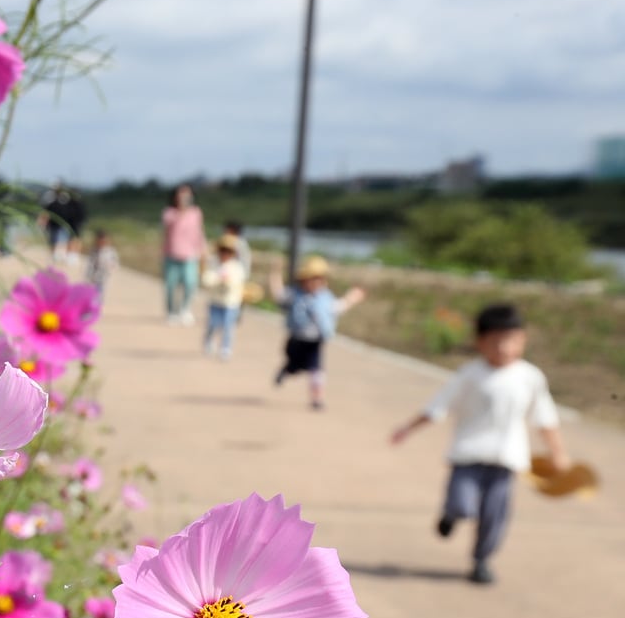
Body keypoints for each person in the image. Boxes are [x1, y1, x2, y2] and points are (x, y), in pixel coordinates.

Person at [390, 303, 569, 585]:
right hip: (468, 456)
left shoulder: (530, 377)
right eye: (496, 341)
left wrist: (558, 453)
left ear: (523, 340)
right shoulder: (470, 374)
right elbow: (437, 407)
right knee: (463, 504)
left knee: (493, 516)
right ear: (480, 342)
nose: (504, 348)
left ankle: (481, 560)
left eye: (512, 341)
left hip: (506, 460)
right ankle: (451, 514)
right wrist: (407, 429)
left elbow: (545, 418)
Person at [267, 254, 366, 410]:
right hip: (296, 340)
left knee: (316, 369)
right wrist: (275, 273)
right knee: (295, 366)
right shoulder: (294, 295)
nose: (315, 283)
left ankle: (316, 398)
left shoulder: (325, 298)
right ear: (304, 279)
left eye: (319, 279)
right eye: (312, 279)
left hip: (315, 341)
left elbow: (338, 307)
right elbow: (278, 294)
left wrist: (352, 297)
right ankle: (286, 370)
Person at [161, 184, 204, 325]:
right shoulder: (169, 213)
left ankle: (185, 310)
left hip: (190, 254)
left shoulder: (196, 212)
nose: (184, 198)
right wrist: (181, 210)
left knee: (190, 283)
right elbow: (168, 228)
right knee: (171, 286)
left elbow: (199, 232)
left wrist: (203, 249)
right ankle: (171, 312)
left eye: (187, 195)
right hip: (172, 254)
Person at [200, 234, 247, 360]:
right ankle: (208, 341)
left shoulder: (236, 267)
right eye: (223, 250)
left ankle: (225, 347)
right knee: (213, 324)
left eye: (228, 251)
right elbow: (206, 280)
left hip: (231, 303)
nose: (225, 254)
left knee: (228, 326)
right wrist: (218, 279)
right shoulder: (213, 264)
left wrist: (228, 281)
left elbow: (238, 283)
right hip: (215, 301)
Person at [86, 228, 120, 297]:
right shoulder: (94, 251)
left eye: (104, 242)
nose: (102, 243)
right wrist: (88, 274)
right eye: (100, 242)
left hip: (104, 277)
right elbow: (90, 263)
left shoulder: (111, 252)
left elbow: (115, 264)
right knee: (91, 292)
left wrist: (110, 266)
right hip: (94, 276)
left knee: (99, 293)